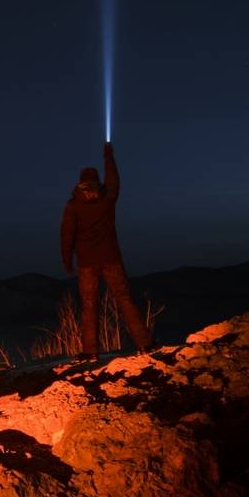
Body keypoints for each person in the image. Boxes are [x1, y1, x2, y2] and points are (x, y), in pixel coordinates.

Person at [60, 141, 153, 360]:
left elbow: (66, 234)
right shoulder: (107, 199)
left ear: (81, 182)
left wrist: (67, 260)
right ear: (96, 180)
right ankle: (145, 344)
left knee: (89, 305)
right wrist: (108, 157)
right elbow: (114, 180)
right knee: (125, 299)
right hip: (111, 258)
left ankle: (90, 352)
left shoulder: (73, 205)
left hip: (86, 262)